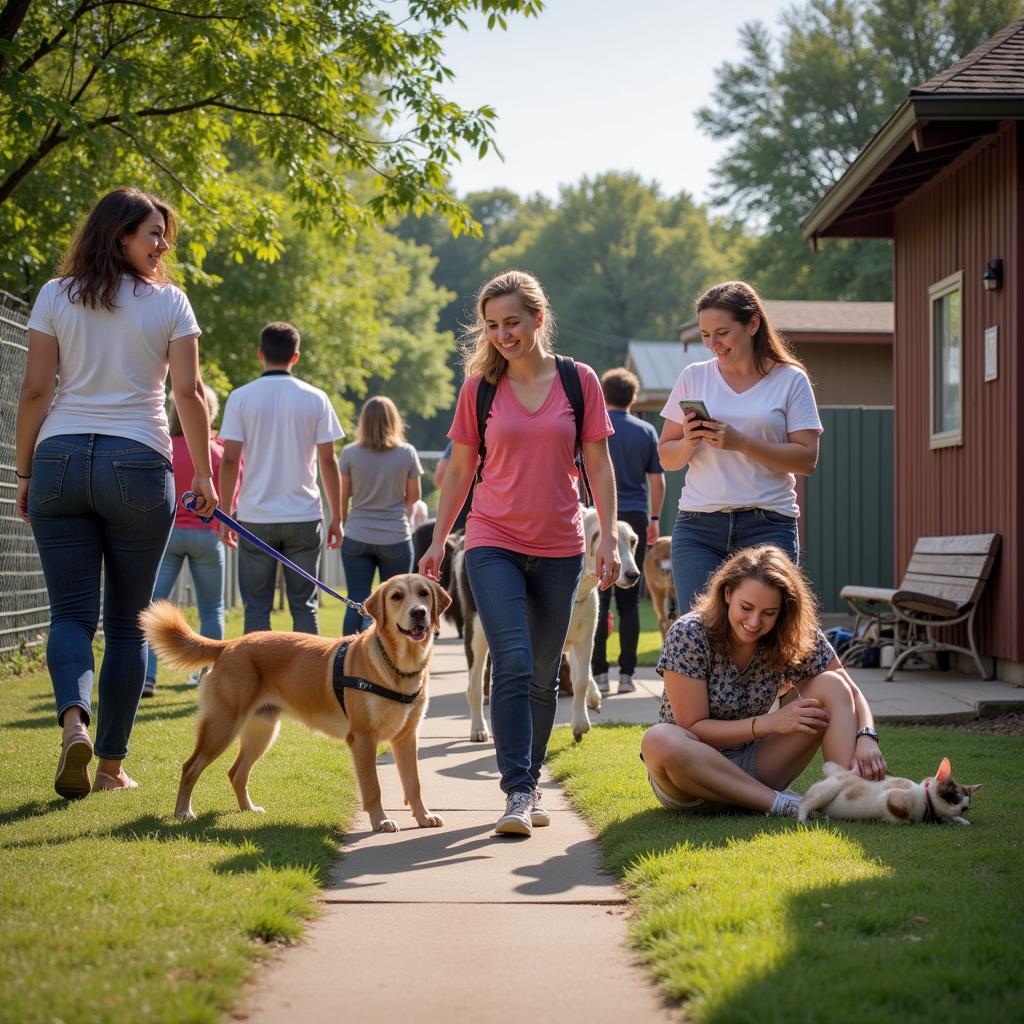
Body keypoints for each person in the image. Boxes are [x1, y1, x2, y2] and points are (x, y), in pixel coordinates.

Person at [15, 187, 217, 798]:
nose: (163, 245)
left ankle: (73, 723)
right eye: (152, 233)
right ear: (117, 235)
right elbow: (189, 393)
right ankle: (108, 768)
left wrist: (24, 472)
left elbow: (34, 392)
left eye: (164, 235)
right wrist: (203, 476)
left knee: (70, 616)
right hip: (137, 462)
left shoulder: (55, 295)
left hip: (60, 458)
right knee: (127, 627)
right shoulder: (169, 304)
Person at [419, 269, 621, 837]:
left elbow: (599, 466)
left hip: (560, 546)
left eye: (512, 322)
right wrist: (439, 540)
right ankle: (515, 792)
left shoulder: (579, 382)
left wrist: (606, 536)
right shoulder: (480, 389)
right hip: (491, 541)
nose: (503, 334)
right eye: (492, 326)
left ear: (538, 317)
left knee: (540, 671)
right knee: (509, 659)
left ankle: (529, 785)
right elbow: (459, 469)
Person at [640, 545, 886, 818]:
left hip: (755, 767)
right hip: (689, 777)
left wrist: (866, 736)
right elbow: (693, 727)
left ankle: (847, 797)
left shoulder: (791, 634)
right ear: (727, 593)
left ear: (783, 610)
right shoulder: (689, 634)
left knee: (831, 685)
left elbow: (847, 688)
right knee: (659, 739)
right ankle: (780, 804)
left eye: (769, 612)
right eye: (746, 608)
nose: (755, 622)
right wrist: (768, 723)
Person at [658, 280, 822, 612]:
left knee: (763, 637)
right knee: (701, 635)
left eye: (721, 332)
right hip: (698, 527)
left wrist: (742, 442)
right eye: (705, 335)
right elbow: (667, 457)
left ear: (752, 324)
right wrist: (690, 441)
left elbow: (806, 460)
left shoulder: (790, 379)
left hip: (768, 525)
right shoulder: (694, 376)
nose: (713, 344)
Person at [217, 322, 343, 635]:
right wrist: (337, 516)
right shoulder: (316, 398)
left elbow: (230, 459)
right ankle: (309, 680)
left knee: (256, 606)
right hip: (303, 515)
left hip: (255, 516)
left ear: (261, 354)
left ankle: (257, 680)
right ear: (296, 357)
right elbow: (328, 460)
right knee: (305, 606)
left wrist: (223, 515)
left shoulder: (240, 397)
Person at [143, 389, 240, 696]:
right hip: (207, 535)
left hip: (167, 534)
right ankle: (205, 674)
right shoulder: (215, 452)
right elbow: (232, 491)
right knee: (212, 607)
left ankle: (146, 677)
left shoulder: (163, 446)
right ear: (208, 413)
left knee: (152, 605)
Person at [591, 367, 665, 695]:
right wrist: (653, 519)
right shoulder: (647, 430)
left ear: (603, 395)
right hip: (634, 515)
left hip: (598, 515)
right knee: (630, 602)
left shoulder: (594, 429)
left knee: (598, 597)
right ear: (633, 397)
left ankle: (599, 673)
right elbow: (658, 481)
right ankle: (627, 674)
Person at [339, 396, 423, 635]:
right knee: (399, 603)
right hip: (395, 536)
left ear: (363, 422)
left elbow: (344, 496)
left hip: (357, 535)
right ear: (394, 421)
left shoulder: (349, 453)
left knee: (355, 599)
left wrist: (340, 521)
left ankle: (347, 659)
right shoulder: (407, 453)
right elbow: (414, 497)